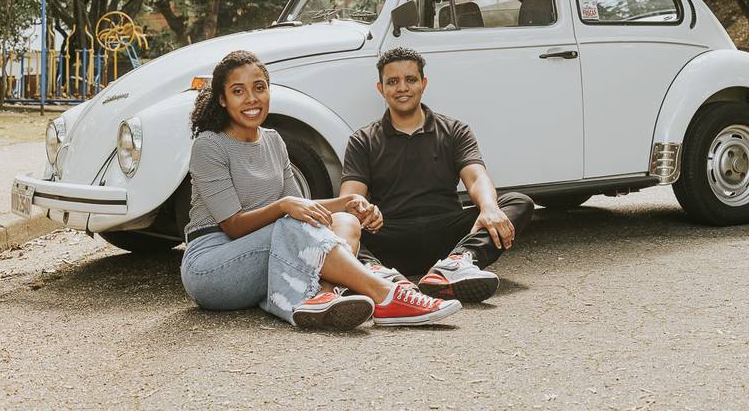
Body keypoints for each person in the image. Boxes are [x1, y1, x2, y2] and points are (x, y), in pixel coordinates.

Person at [180, 50, 461, 329]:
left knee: (344, 221)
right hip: (214, 267)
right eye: (238, 91)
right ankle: (386, 295)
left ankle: (324, 295)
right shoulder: (209, 145)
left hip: (270, 256)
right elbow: (234, 226)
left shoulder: (274, 140)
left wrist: (349, 203)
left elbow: (305, 215)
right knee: (293, 224)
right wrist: (284, 206)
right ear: (222, 99)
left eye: (259, 88)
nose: (252, 99)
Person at [339, 47, 534, 303]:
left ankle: (456, 264)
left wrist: (488, 207)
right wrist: (361, 211)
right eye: (393, 82)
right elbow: (349, 198)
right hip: (390, 236)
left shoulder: (454, 130)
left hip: (448, 234)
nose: (402, 88)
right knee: (338, 223)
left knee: (518, 203)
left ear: (423, 83)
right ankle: (378, 274)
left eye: (410, 79)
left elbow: (476, 177)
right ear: (381, 89)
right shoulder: (363, 139)